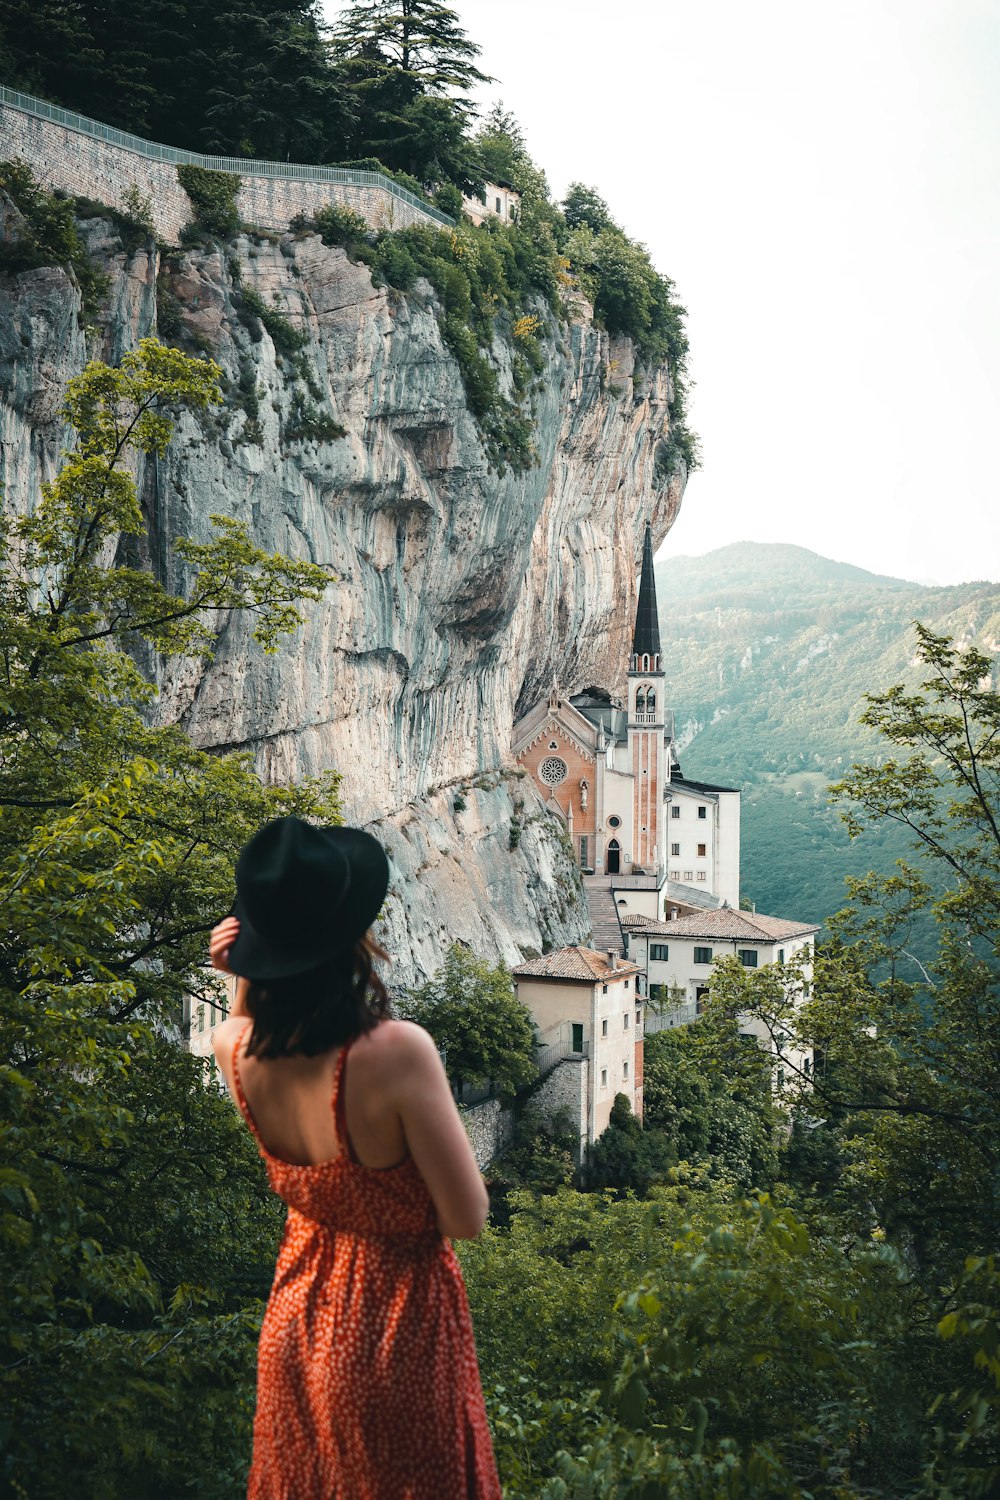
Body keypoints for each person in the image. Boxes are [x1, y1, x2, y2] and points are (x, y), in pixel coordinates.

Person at [209, 815, 502, 1499]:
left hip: (296, 1321)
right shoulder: (396, 1053)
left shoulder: (232, 1051)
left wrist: (238, 975)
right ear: (353, 937)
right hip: (393, 1335)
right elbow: (467, 1218)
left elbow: (246, 1024)